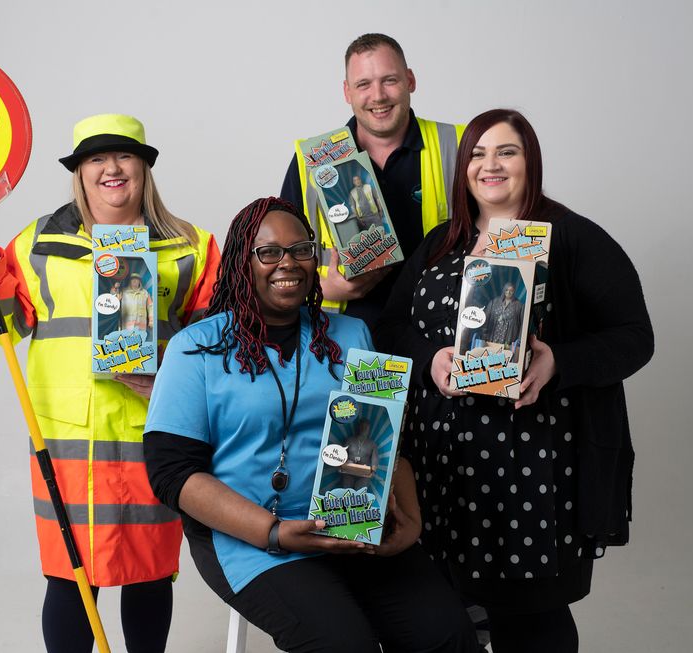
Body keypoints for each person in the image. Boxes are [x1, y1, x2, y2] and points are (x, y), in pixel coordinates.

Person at [374, 109, 654, 652]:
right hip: (443, 472)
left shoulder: (571, 237)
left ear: (532, 162)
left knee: (529, 625)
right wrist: (431, 358)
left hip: (533, 476)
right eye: (477, 153)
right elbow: (390, 326)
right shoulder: (441, 244)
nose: (490, 165)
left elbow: (634, 337)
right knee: (442, 616)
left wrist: (558, 363)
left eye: (507, 151)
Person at [144, 197, 477, 653]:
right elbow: (172, 474)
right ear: (243, 262)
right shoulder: (195, 349)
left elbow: (384, 438)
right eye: (269, 252)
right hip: (253, 541)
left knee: (448, 635)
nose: (289, 263)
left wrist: (412, 519)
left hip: (351, 526)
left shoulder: (351, 335)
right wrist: (274, 531)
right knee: (343, 645)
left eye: (301, 249)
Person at [0, 113, 221, 653]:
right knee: (70, 575)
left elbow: (216, 345)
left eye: (123, 156)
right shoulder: (36, 243)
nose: (111, 168)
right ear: (79, 172)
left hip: (155, 433)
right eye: (95, 158)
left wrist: (166, 372)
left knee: (149, 573)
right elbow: (8, 323)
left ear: (144, 168)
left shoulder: (191, 245)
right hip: (67, 440)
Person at [281, 33, 464, 326]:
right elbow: (278, 259)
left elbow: (503, 227)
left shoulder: (460, 144)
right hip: (346, 336)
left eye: (389, 80)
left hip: (440, 334)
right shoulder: (312, 160)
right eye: (363, 84)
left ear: (411, 80)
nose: (378, 96)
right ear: (347, 92)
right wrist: (322, 288)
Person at [120, 272, 154, 338]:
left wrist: (151, 321)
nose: (135, 281)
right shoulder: (123, 292)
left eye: (137, 279)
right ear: (130, 281)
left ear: (139, 281)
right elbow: (114, 301)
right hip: (126, 326)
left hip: (141, 326)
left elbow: (151, 307)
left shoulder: (145, 293)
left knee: (140, 345)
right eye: (132, 279)